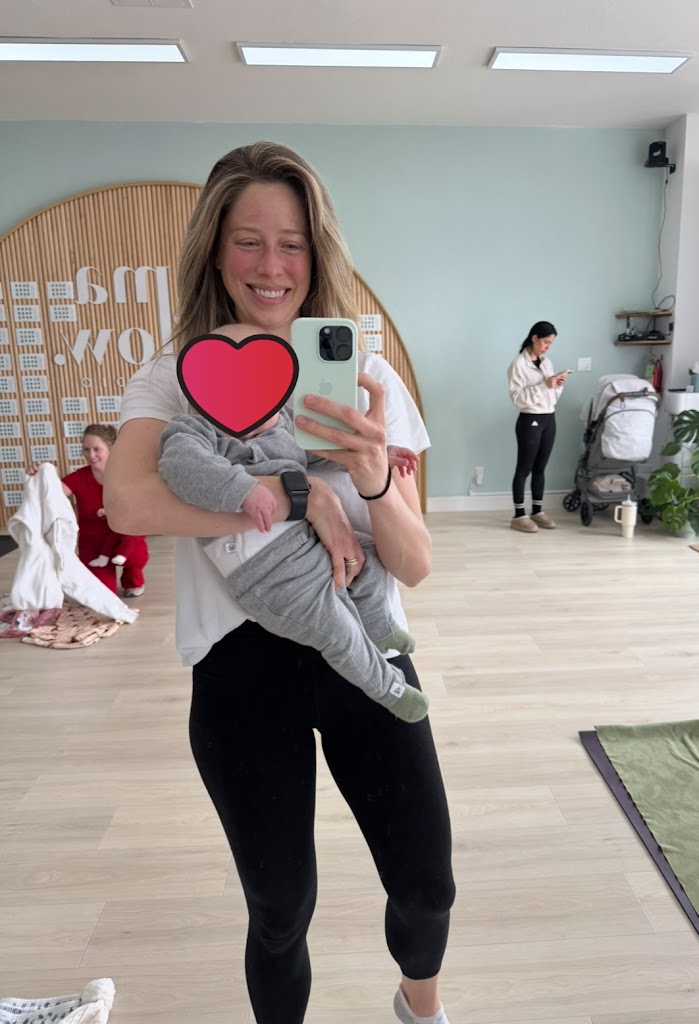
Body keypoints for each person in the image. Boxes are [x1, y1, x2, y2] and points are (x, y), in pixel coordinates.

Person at [104, 142, 455, 1024]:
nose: (272, 266)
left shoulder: (367, 377)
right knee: (280, 911)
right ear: (215, 251)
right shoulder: (175, 375)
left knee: (428, 888)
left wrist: (369, 476)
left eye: (292, 243)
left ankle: (421, 1008)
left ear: (317, 253)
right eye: (249, 241)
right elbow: (129, 501)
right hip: (240, 670)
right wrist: (300, 497)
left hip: (363, 641)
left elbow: (415, 562)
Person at [157, 326, 428, 724]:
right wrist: (244, 490)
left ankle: (380, 627)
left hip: (305, 543)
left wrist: (381, 454)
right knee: (338, 630)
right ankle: (390, 689)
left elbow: (323, 454)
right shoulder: (194, 430)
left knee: (368, 557)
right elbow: (181, 468)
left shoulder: (279, 423)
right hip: (264, 570)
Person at [28, 425, 148, 596]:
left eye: (96, 449)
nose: (91, 455)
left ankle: (133, 578)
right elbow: (51, 494)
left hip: (124, 536)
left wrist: (116, 511)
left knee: (133, 552)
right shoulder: (78, 477)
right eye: (86, 449)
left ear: (111, 449)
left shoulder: (127, 476)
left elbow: (142, 508)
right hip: (93, 543)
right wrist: (39, 475)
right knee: (103, 594)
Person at [506, 320, 568, 533]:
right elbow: (517, 398)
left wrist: (557, 385)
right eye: (545, 342)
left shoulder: (546, 363)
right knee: (524, 468)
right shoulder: (518, 365)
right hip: (529, 420)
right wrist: (544, 386)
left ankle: (537, 511)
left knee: (540, 468)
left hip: (549, 418)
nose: (547, 347)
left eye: (551, 343)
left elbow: (552, 396)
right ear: (534, 338)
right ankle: (519, 515)